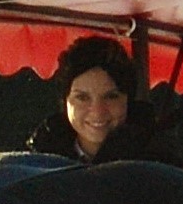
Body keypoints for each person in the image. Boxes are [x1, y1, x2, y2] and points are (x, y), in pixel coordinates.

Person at [40, 34, 149, 164]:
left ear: (128, 100)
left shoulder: (158, 165)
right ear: (65, 101)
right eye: (82, 97)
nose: (97, 111)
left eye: (110, 96)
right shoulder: (39, 164)